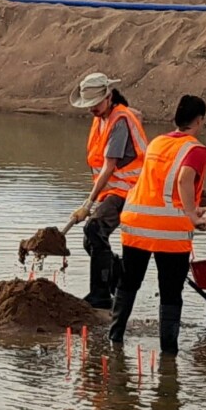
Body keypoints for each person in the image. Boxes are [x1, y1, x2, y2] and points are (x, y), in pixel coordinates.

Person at [108, 94, 206, 358]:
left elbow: (160, 188)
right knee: (170, 293)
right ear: (199, 121)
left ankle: (114, 339)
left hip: (135, 223)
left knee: (129, 283)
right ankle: (168, 356)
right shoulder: (196, 149)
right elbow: (183, 181)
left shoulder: (157, 142)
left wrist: (190, 208)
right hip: (170, 232)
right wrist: (193, 216)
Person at [66, 71, 148, 309]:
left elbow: (109, 166)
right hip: (113, 189)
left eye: (95, 104)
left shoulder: (119, 121)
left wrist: (88, 205)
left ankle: (101, 295)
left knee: (94, 229)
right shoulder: (109, 116)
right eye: (88, 105)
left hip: (130, 189)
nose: (91, 109)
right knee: (90, 242)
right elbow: (138, 114)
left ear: (109, 97)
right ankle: (118, 275)